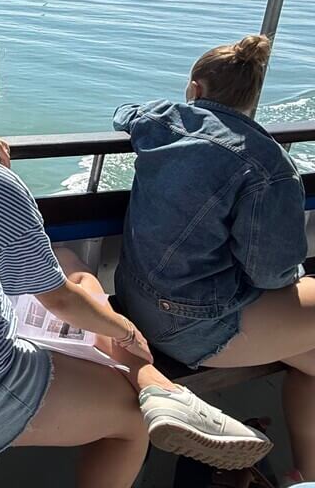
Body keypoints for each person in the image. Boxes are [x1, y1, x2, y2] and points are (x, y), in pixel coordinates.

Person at [0, 31, 269, 488]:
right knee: (130, 422)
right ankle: (155, 388)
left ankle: (157, 385)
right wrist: (126, 328)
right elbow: (57, 301)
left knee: (72, 266)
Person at [113, 34, 314, 480]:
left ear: (195, 89)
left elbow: (123, 113)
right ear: (253, 96)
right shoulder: (269, 166)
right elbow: (273, 274)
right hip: (192, 325)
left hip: (133, 297)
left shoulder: (158, 120)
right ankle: (301, 473)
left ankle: (304, 472)